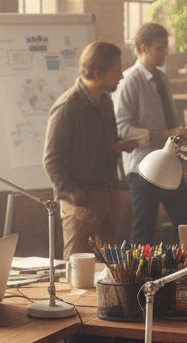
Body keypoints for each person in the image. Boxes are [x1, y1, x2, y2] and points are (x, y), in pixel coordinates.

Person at [44, 41, 140, 258]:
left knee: (107, 268)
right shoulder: (67, 106)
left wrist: (121, 145)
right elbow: (51, 160)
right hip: (82, 200)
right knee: (79, 269)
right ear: (98, 73)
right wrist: (73, 191)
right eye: (116, 70)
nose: (122, 76)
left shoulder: (105, 101)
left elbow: (104, 144)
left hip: (109, 195)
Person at [115, 23, 187, 245]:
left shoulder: (161, 78)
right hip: (142, 168)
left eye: (166, 46)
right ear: (143, 48)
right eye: (160, 48)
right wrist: (166, 134)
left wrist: (181, 134)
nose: (166, 52)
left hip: (169, 164)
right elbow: (122, 129)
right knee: (144, 232)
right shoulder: (129, 81)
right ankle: (137, 279)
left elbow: (168, 123)